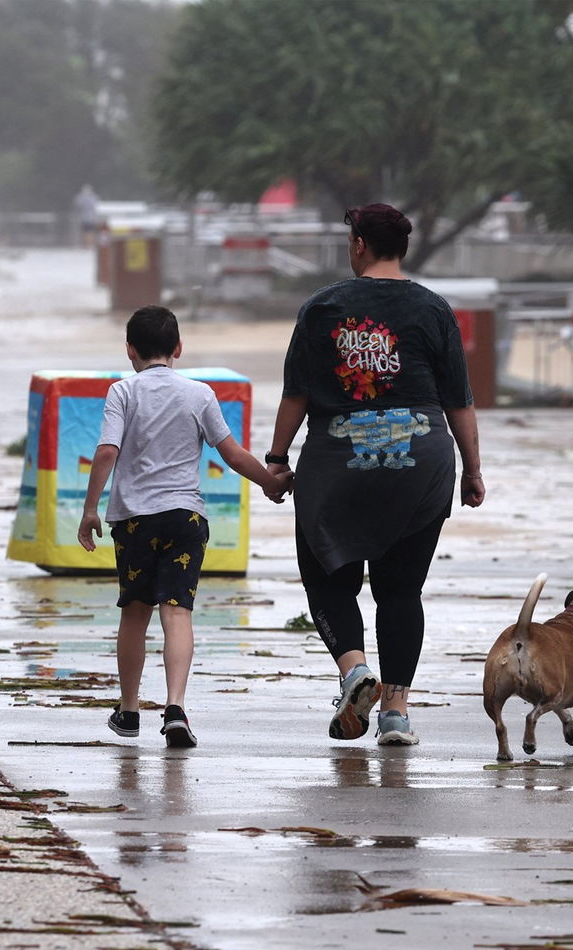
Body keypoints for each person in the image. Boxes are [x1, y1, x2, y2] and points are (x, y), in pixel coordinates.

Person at [263, 203, 485, 747]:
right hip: (420, 458)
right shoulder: (434, 309)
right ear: (401, 247)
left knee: (328, 579)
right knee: (401, 592)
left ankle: (356, 671)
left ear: (359, 244)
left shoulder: (323, 306)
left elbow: (297, 393)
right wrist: (473, 471)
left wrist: (276, 458)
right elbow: (458, 402)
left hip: (338, 461)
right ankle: (395, 715)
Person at [78, 305, 292, 748]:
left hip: (135, 520)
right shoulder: (200, 394)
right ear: (178, 348)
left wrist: (90, 509)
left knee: (135, 614)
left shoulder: (122, 392)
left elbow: (105, 452)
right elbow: (232, 455)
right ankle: (175, 707)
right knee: (177, 612)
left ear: (130, 350)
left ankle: (131, 710)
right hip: (186, 519)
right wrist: (270, 483)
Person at [73, 183, 99, 248]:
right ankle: (87, 245)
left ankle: (88, 244)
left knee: (88, 233)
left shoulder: (83, 197)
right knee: (87, 233)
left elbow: (77, 205)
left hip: (88, 219)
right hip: (88, 219)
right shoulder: (93, 197)